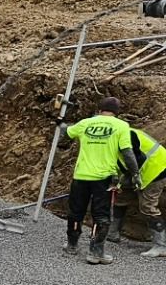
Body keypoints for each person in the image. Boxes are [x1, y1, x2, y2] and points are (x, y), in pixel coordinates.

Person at [64, 97, 139, 265]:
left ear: (99, 109)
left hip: (81, 175)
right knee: (101, 215)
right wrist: (135, 173)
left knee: (76, 211)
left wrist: (60, 120)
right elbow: (127, 152)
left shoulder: (86, 123)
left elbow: (66, 132)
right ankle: (95, 252)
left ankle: (72, 245)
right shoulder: (121, 126)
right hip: (103, 178)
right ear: (117, 112)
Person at [110, 118, 166, 258]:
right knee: (121, 196)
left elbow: (137, 158)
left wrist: (131, 177)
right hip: (140, 171)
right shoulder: (112, 138)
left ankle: (161, 246)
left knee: (147, 206)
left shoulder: (125, 135)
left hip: (156, 169)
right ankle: (112, 233)